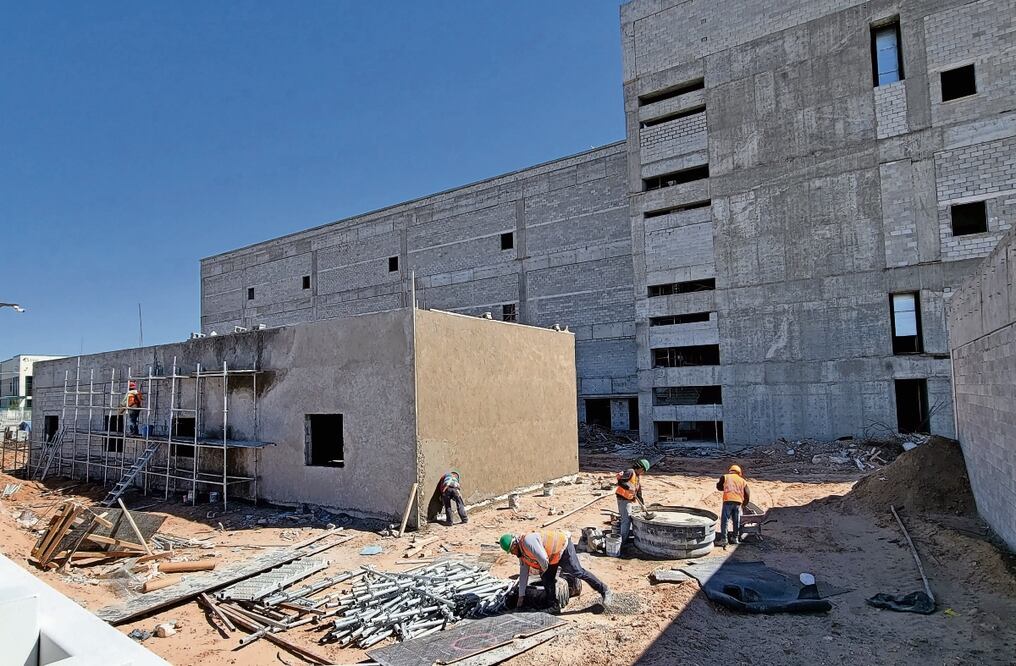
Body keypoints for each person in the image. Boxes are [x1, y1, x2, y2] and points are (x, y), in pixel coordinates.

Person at [500, 530, 611, 610]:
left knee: (577, 572)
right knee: (547, 578)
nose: (513, 553)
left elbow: (543, 559)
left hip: (562, 547)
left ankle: (604, 590)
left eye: (512, 550)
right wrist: (521, 596)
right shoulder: (522, 555)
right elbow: (523, 574)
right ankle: (553, 606)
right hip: (552, 558)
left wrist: (543, 571)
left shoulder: (528, 541)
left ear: (515, 544)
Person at [616, 459, 650, 543]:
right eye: (643, 470)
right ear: (640, 467)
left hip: (628, 499)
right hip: (623, 498)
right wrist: (628, 488)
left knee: (627, 518)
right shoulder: (630, 472)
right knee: (626, 520)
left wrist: (643, 505)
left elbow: (639, 493)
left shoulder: (637, 477)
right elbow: (620, 482)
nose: (643, 472)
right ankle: (622, 542)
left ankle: (624, 536)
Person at [716, 464, 749, 544]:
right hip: (738, 502)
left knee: (725, 520)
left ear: (730, 471)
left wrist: (725, 487)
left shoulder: (725, 477)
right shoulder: (743, 481)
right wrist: (744, 504)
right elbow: (747, 494)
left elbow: (719, 487)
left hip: (728, 501)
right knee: (736, 521)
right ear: (739, 472)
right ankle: (735, 538)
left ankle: (724, 539)